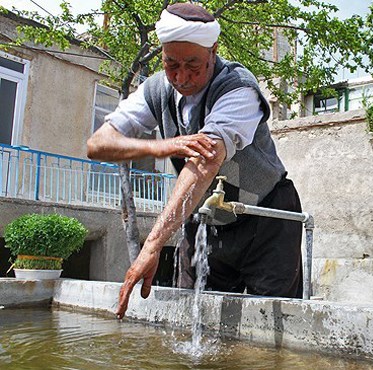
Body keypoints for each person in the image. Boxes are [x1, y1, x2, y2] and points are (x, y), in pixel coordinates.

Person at [86, 3, 303, 319]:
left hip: (265, 219)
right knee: (192, 319)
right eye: (171, 63)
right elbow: (97, 145)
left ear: (213, 51)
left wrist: (152, 245)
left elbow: (204, 164)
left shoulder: (237, 87)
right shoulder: (157, 89)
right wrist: (163, 147)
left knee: (270, 326)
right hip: (206, 220)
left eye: (193, 65)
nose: (182, 77)